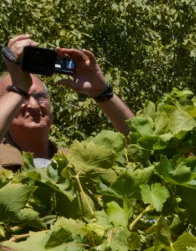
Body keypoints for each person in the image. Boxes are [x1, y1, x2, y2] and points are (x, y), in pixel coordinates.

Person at [0, 34, 134, 170]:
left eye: (40, 96)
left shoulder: (79, 161)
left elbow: (140, 145)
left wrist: (102, 92)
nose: (34, 105)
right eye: (22, 98)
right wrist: (20, 86)